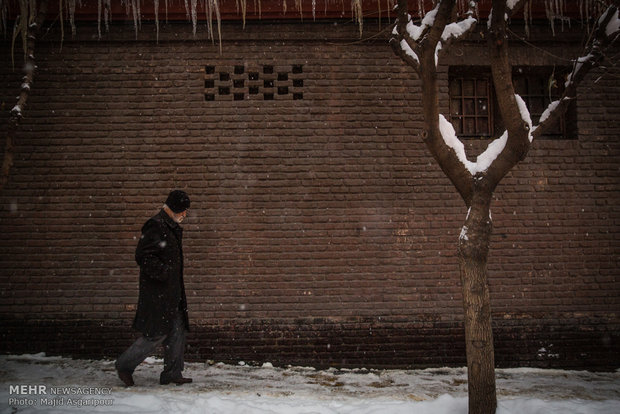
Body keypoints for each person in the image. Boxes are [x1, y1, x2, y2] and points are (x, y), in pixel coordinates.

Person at [115, 190, 193, 386]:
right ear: (173, 208)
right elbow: (143, 256)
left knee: (177, 330)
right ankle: (124, 364)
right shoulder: (156, 225)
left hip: (172, 293)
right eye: (183, 211)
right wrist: (164, 274)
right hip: (159, 293)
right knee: (156, 334)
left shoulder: (171, 226)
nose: (184, 215)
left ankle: (172, 373)